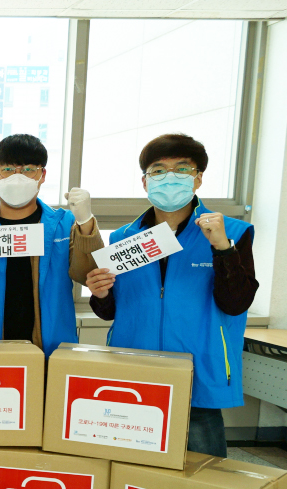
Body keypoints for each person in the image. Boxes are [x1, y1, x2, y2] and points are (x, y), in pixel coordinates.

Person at [85, 134, 258, 458]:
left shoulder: (232, 233)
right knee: (132, 466)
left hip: (199, 368)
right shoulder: (124, 237)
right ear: (145, 181)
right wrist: (100, 292)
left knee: (204, 471)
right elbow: (110, 311)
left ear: (198, 178)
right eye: (159, 170)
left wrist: (222, 248)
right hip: (135, 367)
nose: (170, 177)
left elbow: (236, 303)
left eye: (182, 169)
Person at [0, 133, 103, 357]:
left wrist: (86, 224)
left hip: (51, 350)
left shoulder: (64, 225)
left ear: (42, 175)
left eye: (28, 169)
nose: (17, 177)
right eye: (7, 169)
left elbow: (89, 276)